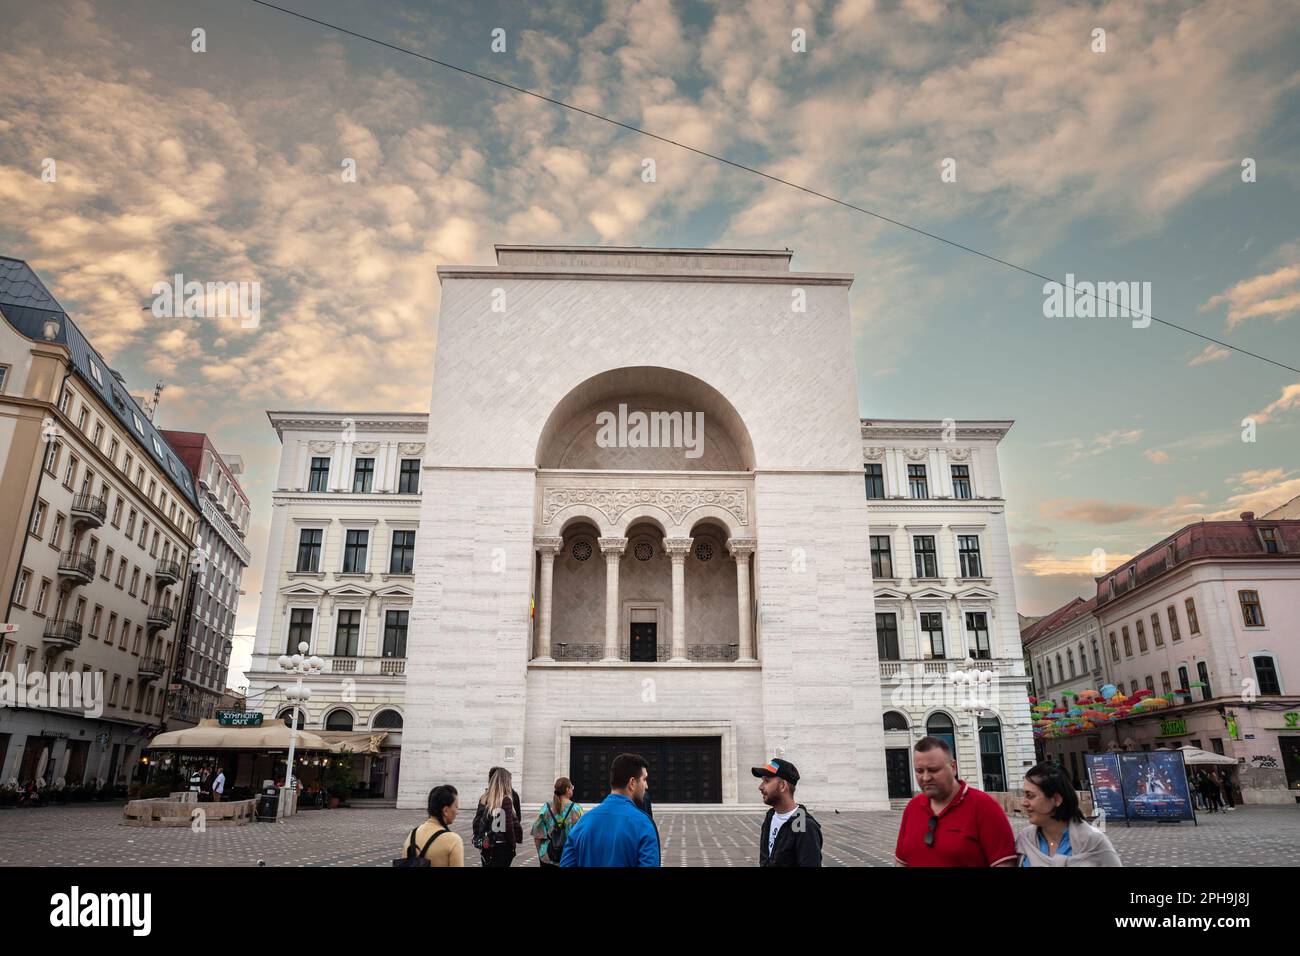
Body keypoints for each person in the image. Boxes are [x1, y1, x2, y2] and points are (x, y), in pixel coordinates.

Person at [895, 736, 1017, 867]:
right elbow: (901, 862)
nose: (925, 777)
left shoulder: (984, 806)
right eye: (919, 771)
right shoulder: (913, 807)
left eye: (933, 770)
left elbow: (1005, 863)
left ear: (953, 767)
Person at [560, 753, 660, 867]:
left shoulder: (582, 823)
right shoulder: (644, 825)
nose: (646, 786)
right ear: (632, 783)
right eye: (644, 779)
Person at [1016, 763, 1121, 867]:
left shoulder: (1093, 842)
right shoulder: (1025, 840)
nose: (1023, 803)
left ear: (1056, 799)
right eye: (1024, 795)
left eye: (1030, 796)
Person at [753, 757, 822, 867]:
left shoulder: (801, 824)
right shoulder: (771, 816)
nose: (760, 787)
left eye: (766, 781)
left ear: (782, 786)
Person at [399, 785, 465, 867]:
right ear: (446, 810)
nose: (457, 811)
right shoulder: (453, 841)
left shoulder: (412, 835)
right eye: (456, 807)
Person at [474, 767, 523, 867]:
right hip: (502, 845)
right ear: (505, 782)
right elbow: (508, 826)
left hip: (487, 844)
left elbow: (477, 823)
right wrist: (513, 844)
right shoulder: (506, 800)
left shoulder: (485, 798)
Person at [532, 776, 583, 867]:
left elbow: (537, 835)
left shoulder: (546, 808)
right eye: (572, 787)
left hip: (548, 856)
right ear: (568, 789)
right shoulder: (577, 809)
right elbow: (582, 836)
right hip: (569, 857)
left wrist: (541, 854)